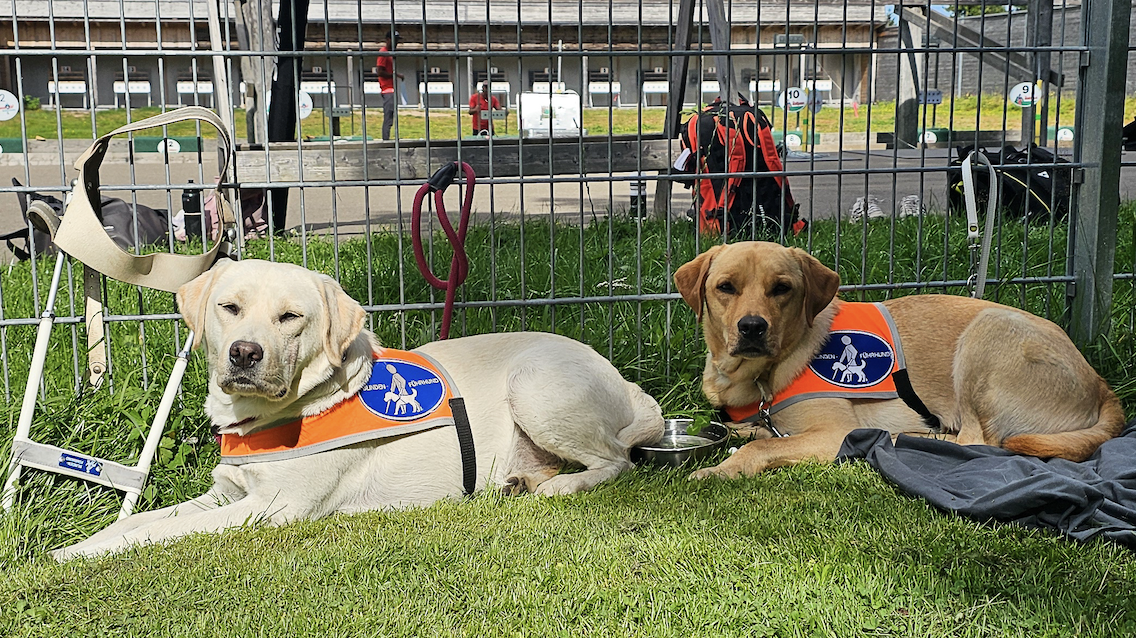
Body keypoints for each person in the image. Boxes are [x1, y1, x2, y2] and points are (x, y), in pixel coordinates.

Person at [375, 30, 404, 140]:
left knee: (391, 116)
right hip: (387, 89)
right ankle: (385, 140)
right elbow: (380, 71)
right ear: (388, 40)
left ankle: (388, 138)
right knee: (388, 116)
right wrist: (394, 75)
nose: (396, 43)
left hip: (391, 89)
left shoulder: (390, 54)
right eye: (394, 40)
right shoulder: (384, 52)